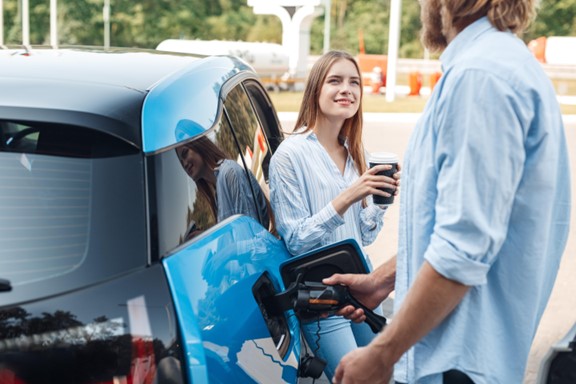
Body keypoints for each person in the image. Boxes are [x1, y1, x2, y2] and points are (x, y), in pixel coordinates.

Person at [324, 1, 572, 384]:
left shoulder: (480, 78)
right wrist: (382, 281)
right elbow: (459, 227)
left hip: (455, 365)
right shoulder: (496, 66)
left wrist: (382, 353)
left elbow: (463, 246)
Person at [268, 50, 401, 380]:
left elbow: (364, 236)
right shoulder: (289, 155)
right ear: (316, 90)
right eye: (336, 81)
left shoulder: (357, 154)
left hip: (360, 287)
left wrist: (380, 202)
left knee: (387, 373)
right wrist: (348, 197)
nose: (347, 89)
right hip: (321, 297)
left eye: (354, 82)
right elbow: (296, 240)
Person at [176, 136, 273, 237]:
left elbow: (250, 238)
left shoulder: (230, 173)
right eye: (181, 162)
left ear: (199, 145)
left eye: (185, 153)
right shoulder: (218, 192)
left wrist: (210, 238)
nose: (185, 164)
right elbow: (234, 237)